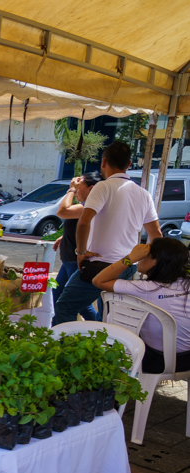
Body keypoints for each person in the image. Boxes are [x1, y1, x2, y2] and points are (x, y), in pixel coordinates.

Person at [51, 141, 162, 325]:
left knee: (65, 307)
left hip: (99, 265)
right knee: (109, 317)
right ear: (128, 164)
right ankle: (103, 350)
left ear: (103, 162)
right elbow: (156, 234)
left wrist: (80, 253)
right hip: (127, 266)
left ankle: (63, 351)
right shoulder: (143, 194)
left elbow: (84, 222)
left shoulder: (102, 187)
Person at [93, 239, 190, 373]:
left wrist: (130, 258)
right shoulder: (186, 283)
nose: (140, 258)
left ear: (154, 262)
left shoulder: (145, 288)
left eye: (144, 255)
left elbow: (98, 280)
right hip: (187, 359)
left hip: (157, 361)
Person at [52, 172, 102, 321]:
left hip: (76, 261)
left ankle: (95, 331)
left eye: (80, 188)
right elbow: (80, 227)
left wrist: (71, 190)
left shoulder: (87, 207)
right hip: (68, 261)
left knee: (76, 303)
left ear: (91, 189)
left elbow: (62, 211)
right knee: (59, 297)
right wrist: (64, 236)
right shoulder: (83, 207)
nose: (76, 191)